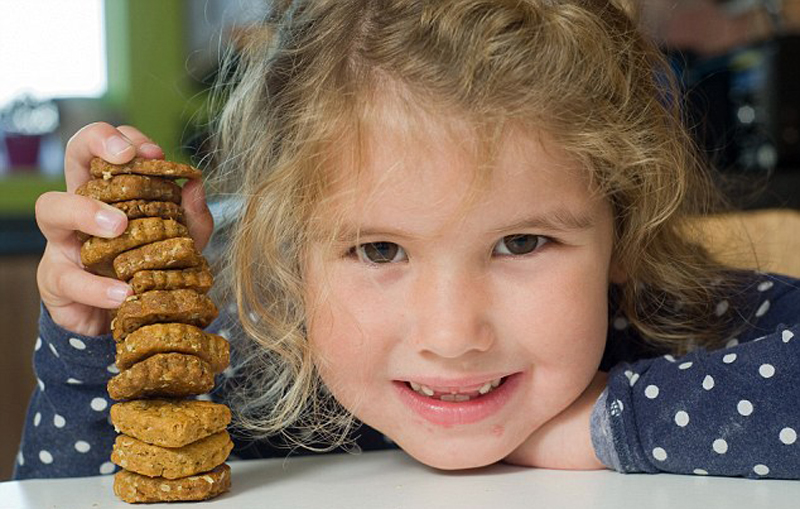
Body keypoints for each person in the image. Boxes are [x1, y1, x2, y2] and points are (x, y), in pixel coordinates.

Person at [15, 0, 799, 481]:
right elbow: (69, 490)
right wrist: (90, 344)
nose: (454, 336)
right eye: (381, 251)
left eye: (521, 242)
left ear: (623, 225)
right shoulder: (255, 385)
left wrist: (604, 424)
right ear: (292, 257)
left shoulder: (682, 329)